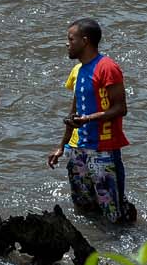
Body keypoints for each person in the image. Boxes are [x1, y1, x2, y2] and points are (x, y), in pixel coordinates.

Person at [47, 18, 135, 223]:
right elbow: (74, 113)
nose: (66, 43)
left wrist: (87, 119)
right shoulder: (78, 70)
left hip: (104, 150)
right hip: (78, 149)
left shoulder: (107, 67)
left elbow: (121, 108)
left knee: (114, 212)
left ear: (85, 41)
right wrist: (61, 146)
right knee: (84, 209)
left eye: (70, 39)